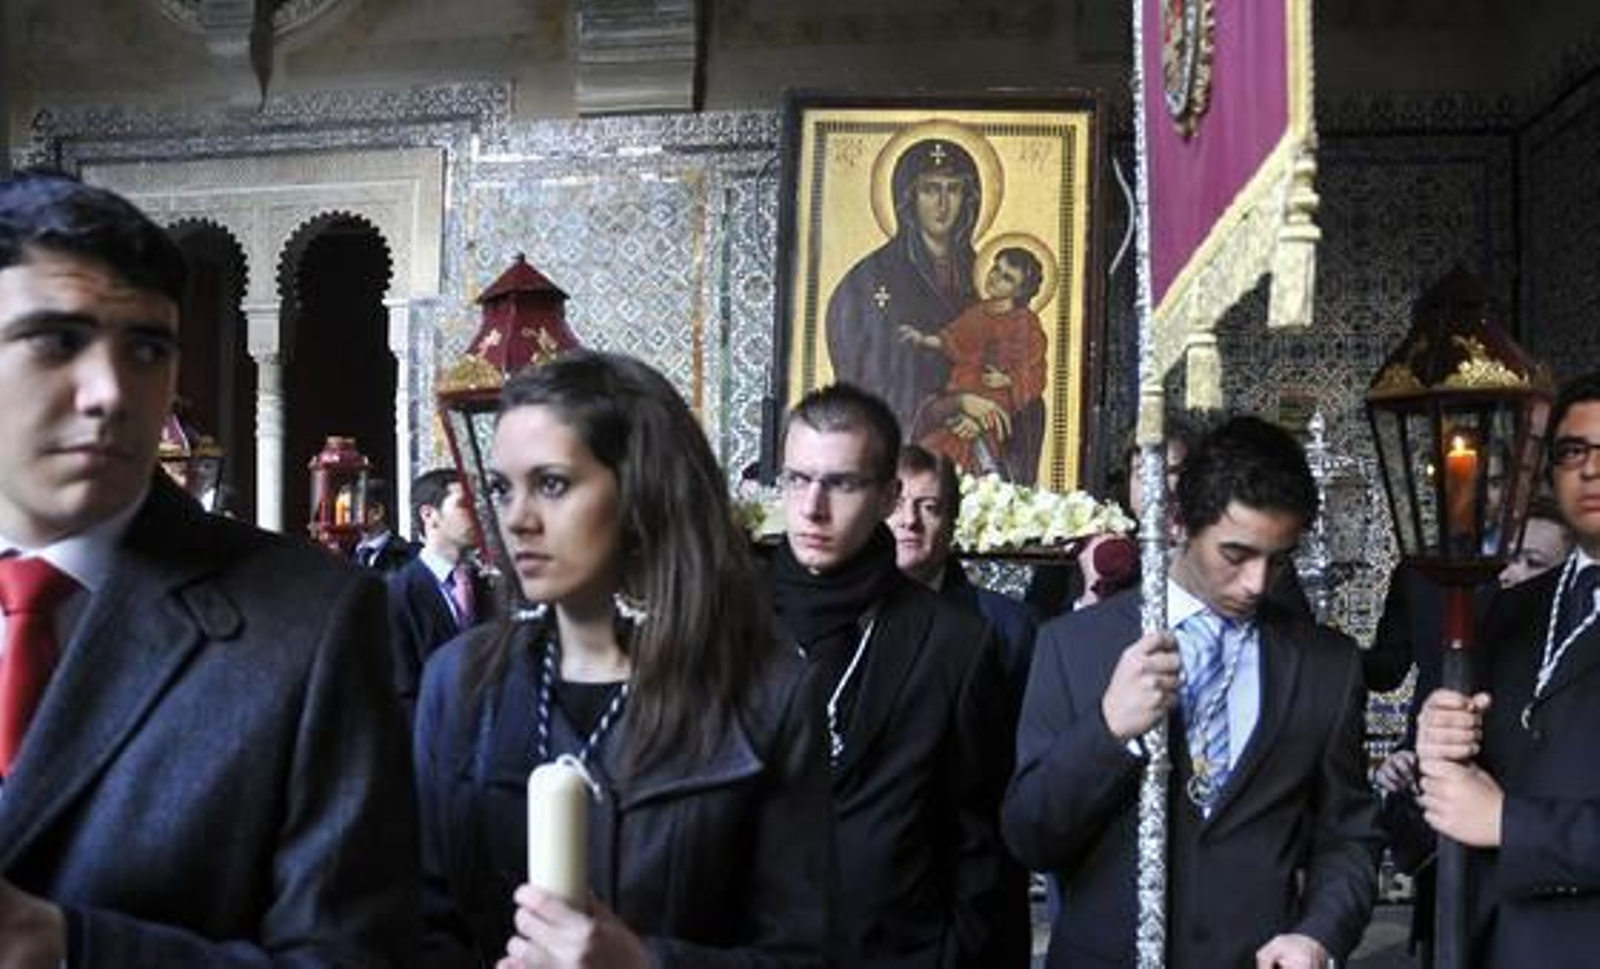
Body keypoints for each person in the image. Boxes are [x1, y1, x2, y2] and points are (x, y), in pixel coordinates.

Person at [0, 170, 417, 961]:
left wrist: (65, 948)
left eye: (148, 348)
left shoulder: (308, 624)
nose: (110, 392)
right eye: (57, 340)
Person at [414, 350, 834, 967]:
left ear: (641, 491)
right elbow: (416, 921)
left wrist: (643, 963)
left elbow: (807, 955)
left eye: (552, 484)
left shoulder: (767, 692)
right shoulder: (460, 682)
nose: (517, 520)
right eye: (503, 489)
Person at [1004, 415, 1381, 967]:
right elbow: (1030, 835)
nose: (1256, 583)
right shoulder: (1072, 646)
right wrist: (1108, 730)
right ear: (1180, 522)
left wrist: (1319, 935)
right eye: (1236, 555)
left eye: (1277, 560)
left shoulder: (1328, 666)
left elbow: (1348, 836)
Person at [770, 383, 1026, 967]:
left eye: (842, 483)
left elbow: (982, 843)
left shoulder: (955, 643)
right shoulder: (730, 620)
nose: (812, 507)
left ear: (888, 495)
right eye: (798, 480)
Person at [1416, 370, 1600, 964]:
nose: (1590, 469)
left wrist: (1509, 823)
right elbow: (1439, 810)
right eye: (1573, 451)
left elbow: (1490, 814)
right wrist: (1436, 746)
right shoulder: (1510, 610)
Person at [825, 136, 981, 430]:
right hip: (901, 439)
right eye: (930, 190)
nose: (943, 204)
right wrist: (945, 406)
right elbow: (862, 378)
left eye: (954, 190)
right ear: (909, 197)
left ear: (969, 199)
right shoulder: (867, 281)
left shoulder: (988, 277)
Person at [890, 442, 1038, 713]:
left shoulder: (1009, 627)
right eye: (896, 505)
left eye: (929, 507)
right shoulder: (840, 613)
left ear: (952, 522)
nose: (909, 520)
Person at [899, 246, 1049, 481]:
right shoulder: (977, 313)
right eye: (996, 269)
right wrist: (923, 339)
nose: (996, 278)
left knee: (967, 450)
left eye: (1007, 278)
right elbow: (953, 338)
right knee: (935, 447)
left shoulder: (1026, 324)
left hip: (998, 397)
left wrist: (1008, 379)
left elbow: (1036, 371)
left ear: (1020, 291)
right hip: (962, 389)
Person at [387, 466, 489, 716]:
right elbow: (403, 691)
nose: (478, 514)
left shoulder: (487, 586)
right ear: (429, 515)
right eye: (465, 504)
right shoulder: (398, 594)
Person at [352, 476, 417, 573]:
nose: (348, 516)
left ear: (377, 512)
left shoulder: (408, 556)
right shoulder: (343, 553)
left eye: (355, 508)